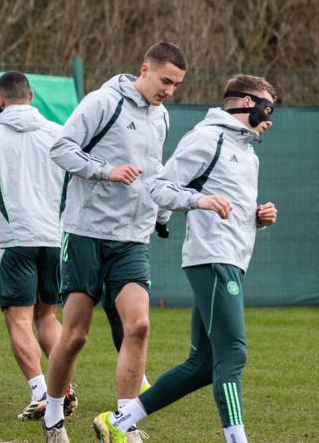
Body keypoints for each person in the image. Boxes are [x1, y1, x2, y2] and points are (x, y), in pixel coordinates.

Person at [43, 42, 232, 442]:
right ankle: (54, 418)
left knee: (140, 325)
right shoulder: (103, 101)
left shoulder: (161, 116)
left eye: (177, 84)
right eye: (166, 81)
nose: (170, 91)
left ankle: (124, 421)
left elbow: (155, 174)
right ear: (144, 68)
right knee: (74, 336)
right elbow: (60, 148)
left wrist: (162, 215)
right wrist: (105, 171)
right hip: (86, 234)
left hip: (132, 239)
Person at [92, 74, 277, 443]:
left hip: (233, 259)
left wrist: (256, 218)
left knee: (203, 365)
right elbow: (159, 186)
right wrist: (198, 200)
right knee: (234, 353)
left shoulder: (248, 152)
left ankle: (118, 422)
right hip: (211, 257)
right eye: (267, 107)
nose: (270, 118)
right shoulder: (208, 137)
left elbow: (227, 205)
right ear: (244, 103)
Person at [0, 72, 75, 421]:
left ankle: (41, 391)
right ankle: (64, 390)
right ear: (31, 95)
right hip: (53, 237)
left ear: (0, 99)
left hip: (13, 239)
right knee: (49, 316)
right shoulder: (59, 132)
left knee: (19, 319)